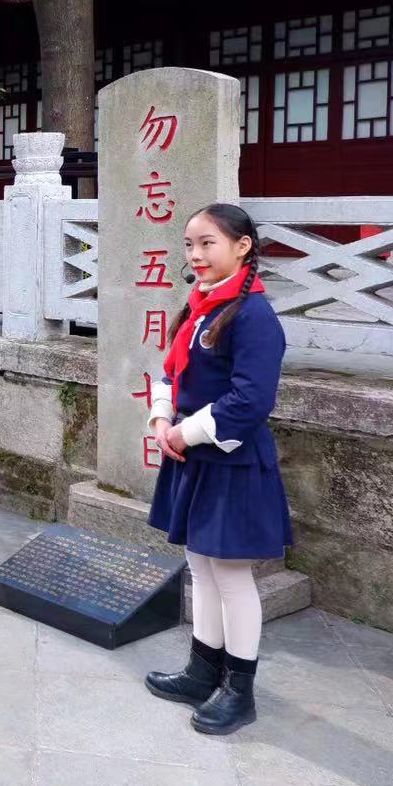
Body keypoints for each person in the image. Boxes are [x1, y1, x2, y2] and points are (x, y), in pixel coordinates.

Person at [144, 203, 290, 737]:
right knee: (199, 565)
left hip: (232, 460)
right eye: (189, 244)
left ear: (242, 246)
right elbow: (169, 369)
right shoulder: (200, 306)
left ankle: (240, 691)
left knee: (230, 574)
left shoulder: (253, 315)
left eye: (207, 243)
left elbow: (251, 400)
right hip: (192, 453)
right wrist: (162, 417)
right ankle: (201, 672)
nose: (196, 255)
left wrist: (184, 431)